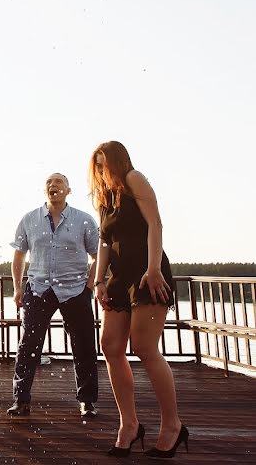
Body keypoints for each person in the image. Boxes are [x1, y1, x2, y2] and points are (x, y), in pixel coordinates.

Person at [90, 141, 186, 458]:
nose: (102, 171)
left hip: (147, 273)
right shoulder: (106, 196)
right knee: (111, 346)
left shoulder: (134, 180)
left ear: (119, 161)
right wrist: (100, 280)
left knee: (144, 347)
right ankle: (129, 425)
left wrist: (154, 267)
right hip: (118, 278)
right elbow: (105, 242)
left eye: (106, 164)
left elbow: (155, 223)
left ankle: (172, 425)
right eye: (98, 165)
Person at [7, 173, 99, 418]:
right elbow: (19, 255)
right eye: (49, 182)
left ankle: (87, 401)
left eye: (58, 182)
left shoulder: (84, 220)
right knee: (28, 346)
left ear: (69, 190)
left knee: (84, 346)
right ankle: (21, 400)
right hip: (39, 289)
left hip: (75, 290)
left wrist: (90, 285)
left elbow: (98, 255)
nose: (53, 185)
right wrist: (17, 288)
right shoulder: (30, 219)